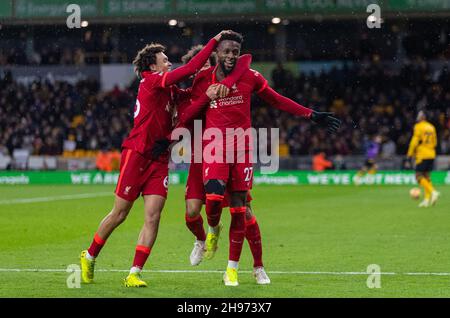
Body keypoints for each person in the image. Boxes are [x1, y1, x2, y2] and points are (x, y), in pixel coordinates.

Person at [159, 31, 341, 286]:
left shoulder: (248, 75)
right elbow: (184, 114)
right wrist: (170, 135)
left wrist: (310, 115)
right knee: (200, 207)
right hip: (208, 150)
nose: (231, 56)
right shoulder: (199, 82)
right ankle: (209, 234)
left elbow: (276, 99)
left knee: (242, 211)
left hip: (240, 149)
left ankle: (253, 267)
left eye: (235, 52)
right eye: (226, 51)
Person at [79, 30, 232, 288]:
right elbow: (191, 67)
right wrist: (215, 41)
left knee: (153, 216)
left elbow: (194, 96)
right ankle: (90, 255)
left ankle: (134, 272)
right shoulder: (151, 81)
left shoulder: (170, 90)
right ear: (153, 66)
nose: (169, 62)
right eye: (165, 60)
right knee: (120, 214)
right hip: (137, 154)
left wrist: (214, 83)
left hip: (159, 160)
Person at [175, 46, 270, 284]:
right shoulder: (194, 91)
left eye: (209, 65)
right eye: (202, 67)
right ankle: (202, 239)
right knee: (192, 212)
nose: (208, 71)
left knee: (245, 211)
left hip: (231, 151)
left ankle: (258, 266)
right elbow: (184, 121)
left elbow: (245, 62)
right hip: (201, 156)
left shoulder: (229, 83)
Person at [406, 110, 440, 208]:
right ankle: (426, 200)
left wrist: (409, 155)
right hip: (431, 154)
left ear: (421, 117)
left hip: (422, 154)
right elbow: (435, 143)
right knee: (427, 177)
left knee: (418, 176)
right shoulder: (432, 127)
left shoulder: (418, 126)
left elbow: (414, 142)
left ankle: (433, 192)